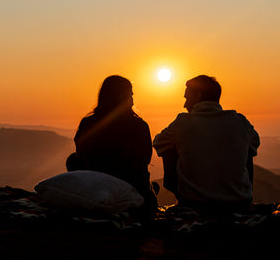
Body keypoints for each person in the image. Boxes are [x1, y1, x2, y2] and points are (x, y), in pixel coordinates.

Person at [152, 75, 259, 214]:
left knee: (169, 145)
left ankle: (182, 193)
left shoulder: (182, 123)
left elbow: (158, 142)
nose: (185, 104)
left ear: (197, 95)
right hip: (239, 203)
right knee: (248, 148)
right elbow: (254, 144)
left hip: (194, 203)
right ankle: (242, 191)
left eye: (187, 98)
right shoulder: (240, 122)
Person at [67, 75, 158, 215]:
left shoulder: (88, 123)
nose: (133, 99)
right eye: (130, 94)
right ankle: (149, 193)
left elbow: (81, 153)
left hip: (96, 188)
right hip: (131, 189)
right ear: (125, 97)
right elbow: (144, 161)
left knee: (72, 160)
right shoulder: (139, 126)